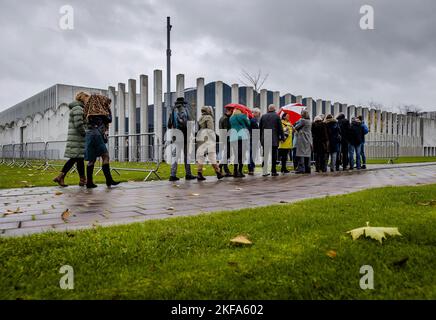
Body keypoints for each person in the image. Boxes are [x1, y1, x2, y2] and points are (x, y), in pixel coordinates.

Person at [53, 92, 89, 187]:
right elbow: (79, 124)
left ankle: (82, 180)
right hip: (77, 138)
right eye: (87, 98)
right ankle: (61, 176)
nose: (88, 100)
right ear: (82, 98)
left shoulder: (78, 108)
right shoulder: (78, 108)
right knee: (74, 158)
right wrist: (85, 133)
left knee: (79, 159)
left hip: (77, 138)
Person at [84, 94, 120, 188]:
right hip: (96, 135)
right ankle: (109, 180)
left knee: (92, 160)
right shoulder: (99, 112)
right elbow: (109, 119)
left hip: (89, 135)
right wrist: (109, 110)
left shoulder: (89, 111)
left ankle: (89, 182)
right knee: (106, 156)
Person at [167, 97, 197, 181]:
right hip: (184, 134)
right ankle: (188, 174)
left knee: (175, 155)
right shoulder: (183, 109)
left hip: (175, 135)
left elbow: (169, 124)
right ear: (183, 103)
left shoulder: (172, 110)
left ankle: (172, 175)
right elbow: (184, 122)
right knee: (186, 155)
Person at [196, 106, 224, 181]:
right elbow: (210, 130)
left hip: (200, 137)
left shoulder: (200, 118)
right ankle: (218, 172)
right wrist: (216, 137)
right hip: (208, 139)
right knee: (212, 155)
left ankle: (199, 173)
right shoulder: (209, 118)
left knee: (201, 156)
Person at [259, 104, 284, 177]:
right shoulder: (276, 116)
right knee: (274, 156)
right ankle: (273, 171)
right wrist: (282, 138)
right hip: (274, 138)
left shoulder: (263, 116)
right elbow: (280, 128)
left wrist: (261, 138)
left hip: (265, 137)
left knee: (265, 155)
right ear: (274, 109)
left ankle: (264, 171)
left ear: (268, 109)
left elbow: (260, 128)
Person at [229, 109, 250, 178]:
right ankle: (240, 171)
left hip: (233, 137)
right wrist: (247, 118)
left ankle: (235, 171)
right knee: (242, 154)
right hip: (242, 136)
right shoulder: (243, 116)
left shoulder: (231, 118)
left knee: (236, 154)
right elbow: (248, 124)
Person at [294, 110, 312, 174]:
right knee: (307, 154)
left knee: (301, 154)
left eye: (301, 113)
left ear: (303, 114)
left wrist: (296, 123)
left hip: (302, 139)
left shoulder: (302, 120)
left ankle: (301, 169)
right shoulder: (309, 121)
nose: (300, 114)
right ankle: (308, 168)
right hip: (308, 139)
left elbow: (296, 127)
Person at [218, 107, 233, 177]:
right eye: (231, 112)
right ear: (229, 111)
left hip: (223, 138)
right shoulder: (226, 119)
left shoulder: (222, 118)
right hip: (227, 138)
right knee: (228, 153)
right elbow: (227, 130)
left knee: (227, 153)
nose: (232, 113)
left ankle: (221, 166)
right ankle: (226, 170)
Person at [248, 108, 261, 175]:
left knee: (251, 153)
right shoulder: (253, 120)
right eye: (259, 114)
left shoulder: (250, 119)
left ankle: (250, 167)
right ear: (255, 113)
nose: (259, 115)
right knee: (252, 153)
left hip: (250, 138)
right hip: (253, 138)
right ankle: (251, 167)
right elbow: (256, 130)